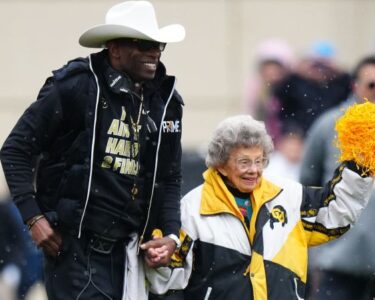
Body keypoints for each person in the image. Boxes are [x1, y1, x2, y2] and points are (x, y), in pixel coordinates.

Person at [0, 1, 185, 299]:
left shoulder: (166, 103)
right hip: (75, 251)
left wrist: (172, 236)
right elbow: (15, 148)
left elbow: (170, 177)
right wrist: (33, 217)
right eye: (144, 44)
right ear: (114, 49)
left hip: (130, 257)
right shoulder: (76, 86)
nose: (155, 52)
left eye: (159, 44)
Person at [143, 115, 373, 300]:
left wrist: (361, 165)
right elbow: (167, 282)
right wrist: (158, 259)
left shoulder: (288, 195)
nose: (254, 170)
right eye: (244, 162)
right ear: (221, 165)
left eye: (259, 160)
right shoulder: (192, 209)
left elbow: (336, 214)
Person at [300, 56, 375, 299]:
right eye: (372, 84)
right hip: (338, 261)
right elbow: (307, 186)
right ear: (355, 85)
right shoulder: (329, 125)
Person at [274, 41, 351, 136]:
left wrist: (339, 74)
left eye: (324, 66)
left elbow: (352, 89)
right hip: (298, 137)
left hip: (328, 134)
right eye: (316, 65)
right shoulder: (295, 83)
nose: (319, 70)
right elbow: (279, 93)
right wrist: (297, 71)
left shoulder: (338, 86)